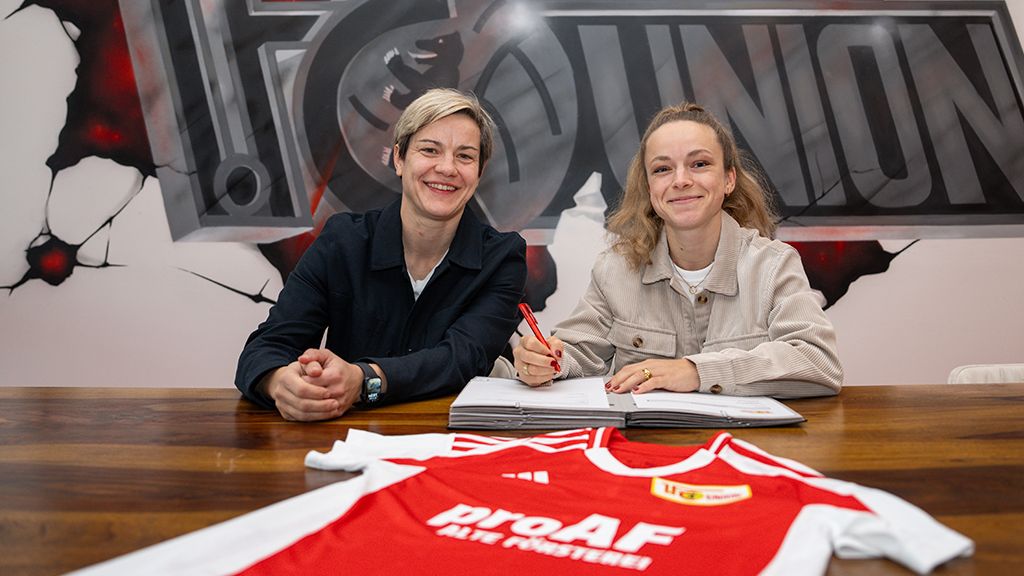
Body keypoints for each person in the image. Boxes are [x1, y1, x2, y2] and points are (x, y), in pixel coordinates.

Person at [513, 102, 842, 398]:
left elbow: (817, 361)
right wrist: (543, 360)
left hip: (743, 451)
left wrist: (696, 371)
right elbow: (575, 353)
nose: (681, 180)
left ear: (729, 180)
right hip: (648, 454)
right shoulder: (614, 269)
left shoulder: (773, 265)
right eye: (662, 169)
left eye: (699, 164)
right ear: (649, 187)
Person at [236, 88, 527, 421]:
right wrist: (280, 383)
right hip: (348, 441)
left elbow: (462, 359)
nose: (447, 168)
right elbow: (266, 348)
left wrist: (364, 380)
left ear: (480, 170)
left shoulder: (502, 258)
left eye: (464, 156)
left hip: (451, 443)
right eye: (430, 150)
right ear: (399, 158)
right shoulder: (342, 241)